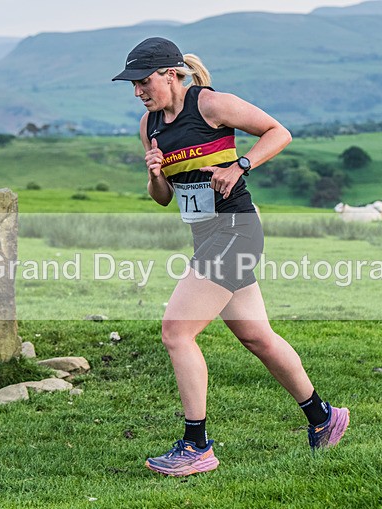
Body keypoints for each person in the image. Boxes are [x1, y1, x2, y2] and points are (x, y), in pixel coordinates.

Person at [112, 37, 349, 477]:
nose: (139, 91)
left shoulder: (211, 105)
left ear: (171, 73)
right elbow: (163, 198)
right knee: (257, 337)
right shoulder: (150, 126)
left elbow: (279, 132)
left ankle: (196, 445)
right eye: (133, 85)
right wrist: (155, 174)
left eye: (144, 82)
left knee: (176, 333)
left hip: (236, 229)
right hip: (206, 236)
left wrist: (239, 166)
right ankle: (324, 417)